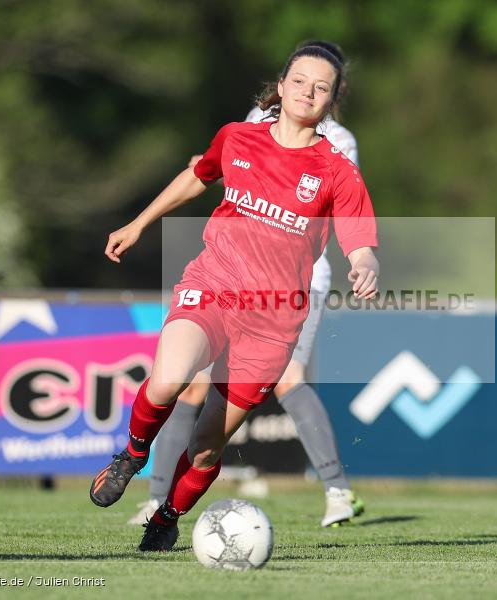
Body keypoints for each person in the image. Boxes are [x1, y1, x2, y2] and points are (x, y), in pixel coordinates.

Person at [89, 44, 379, 553]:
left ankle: (169, 514)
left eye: (321, 88)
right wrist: (138, 224)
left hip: (273, 321)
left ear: (331, 100)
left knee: (206, 448)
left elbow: (359, 240)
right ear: (282, 84)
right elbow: (196, 176)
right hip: (214, 285)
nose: (308, 93)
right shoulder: (237, 137)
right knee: (170, 379)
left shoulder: (337, 169)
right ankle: (132, 456)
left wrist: (365, 265)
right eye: (300, 81)